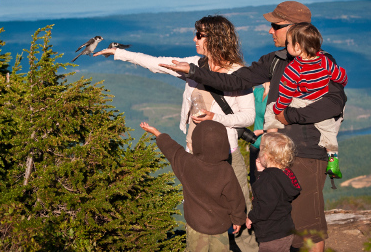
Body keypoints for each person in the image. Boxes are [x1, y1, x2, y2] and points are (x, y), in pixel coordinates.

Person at [161, 1, 347, 251]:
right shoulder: (274, 60)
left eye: (275, 25)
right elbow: (235, 80)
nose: (270, 31)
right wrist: (195, 72)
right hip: (271, 152)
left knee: (307, 225)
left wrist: (287, 116)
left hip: (305, 152)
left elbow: (334, 103)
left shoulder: (322, 62)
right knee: (275, 221)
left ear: (295, 29)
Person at [94, 15, 258, 252]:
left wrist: (216, 118)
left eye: (199, 35)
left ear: (215, 39)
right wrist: (118, 54)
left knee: (240, 222)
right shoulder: (194, 65)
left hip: (227, 158)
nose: (194, 38)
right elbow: (157, 63)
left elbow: (248, 117)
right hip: (193, 155)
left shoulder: (238, 73)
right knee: (203, 216)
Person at [140, 120, 246, 252]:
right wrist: (238, 219)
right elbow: (236, 198)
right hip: (220, 226)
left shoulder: (187, 164)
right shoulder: (226, 170)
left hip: (196, 226)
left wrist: (156, 132)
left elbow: (172, 149)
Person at [263, 22, 347, 179]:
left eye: (288, 43)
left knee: (271, 109)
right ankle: (333, 160)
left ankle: (270, 141)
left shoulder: (293, 68)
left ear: (297, 48)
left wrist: (279, 109)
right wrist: (343, 81)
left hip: (300, 100)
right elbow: (340, 76)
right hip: (320, 102)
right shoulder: (325, 61)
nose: (286, 46)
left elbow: (286, 93)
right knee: (328, 134)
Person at [246, 132, 301, 252]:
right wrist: (260, 172)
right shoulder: (284, 174)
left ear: (265, 156)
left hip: (271, 234)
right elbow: (272, 192)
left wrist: (251, 217)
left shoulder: (267, 180)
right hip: (284, 230)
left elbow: (265, 205)